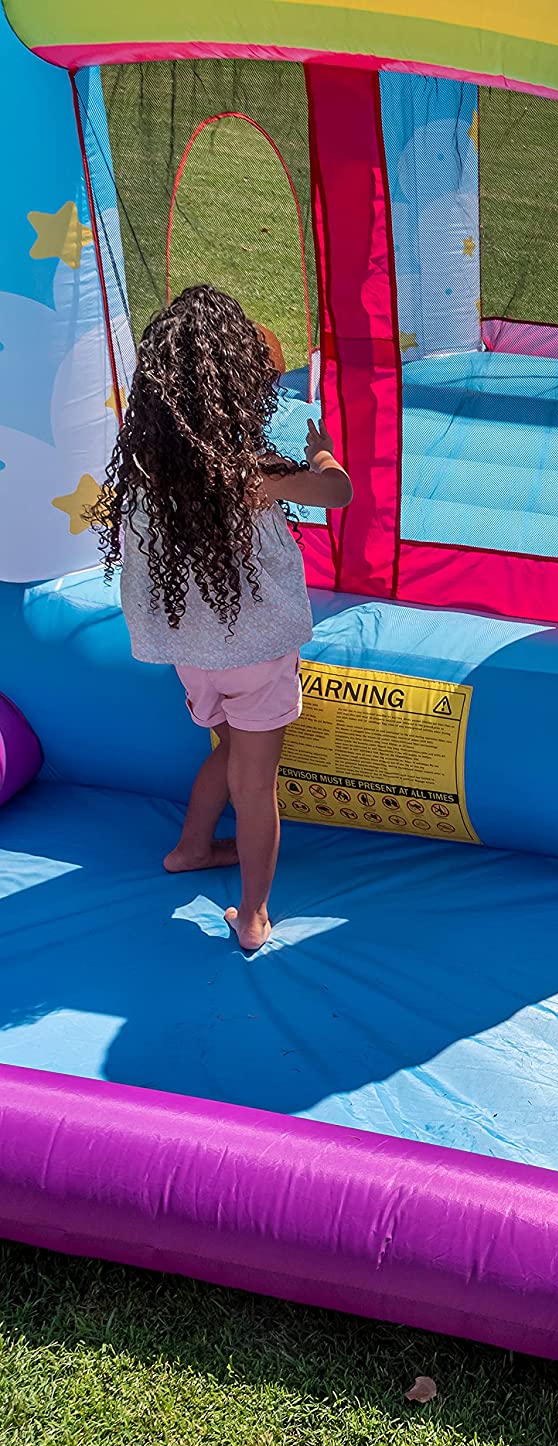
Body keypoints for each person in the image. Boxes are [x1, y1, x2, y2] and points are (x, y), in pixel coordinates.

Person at [94, 285, 353, 952]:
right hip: (256, 655)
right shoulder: (249, 473)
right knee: (255, 781)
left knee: (230, 750)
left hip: (192, 655)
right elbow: (338, 492)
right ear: (236, 392)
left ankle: (189, 850)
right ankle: (255, 916)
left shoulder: (148, 474)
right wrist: (321, 449)